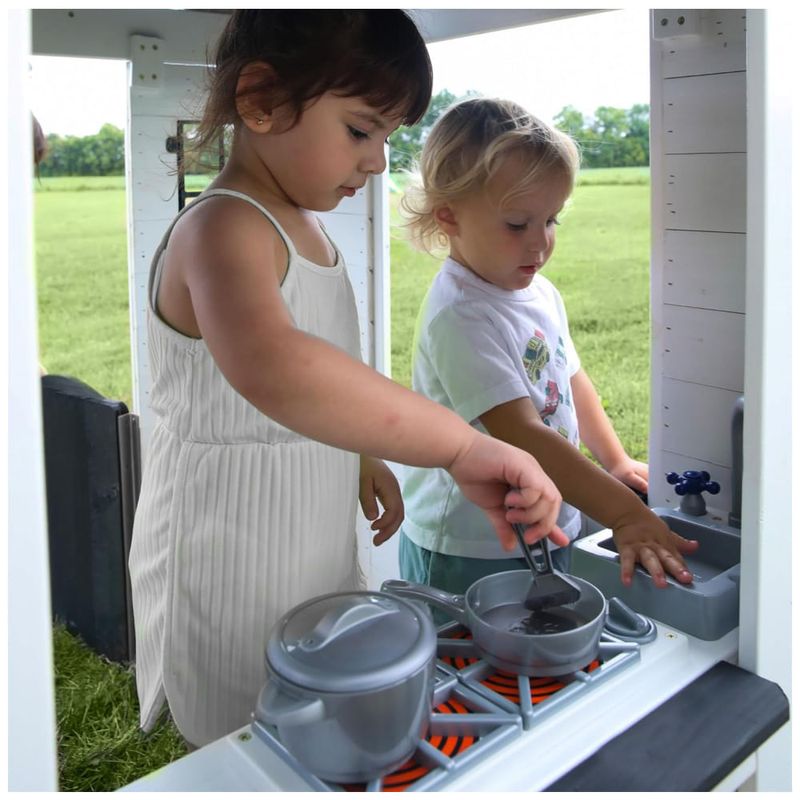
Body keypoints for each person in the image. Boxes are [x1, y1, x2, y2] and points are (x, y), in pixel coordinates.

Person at [128, 12, 565, 750]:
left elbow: (327, 366)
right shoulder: (222, 229)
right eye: (361, 130)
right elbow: (277, 366)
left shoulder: (307, 228)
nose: (377, 162)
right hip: (226, 537)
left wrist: (358, 451)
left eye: (387, 137)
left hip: (307, 520)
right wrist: (461, 446)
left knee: (313, 678)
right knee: (243, 712)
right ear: (261, 100)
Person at [398, 96, 700, 597]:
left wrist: (615, 461)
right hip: (470, 543)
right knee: (470, 642)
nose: (539, 243)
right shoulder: (461, 314)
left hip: (548, 516)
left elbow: (572, 378)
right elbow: (523, 434)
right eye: (517, 224)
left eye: (551, 220)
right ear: (449, 216)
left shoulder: (539, 291)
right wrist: (625, 514)